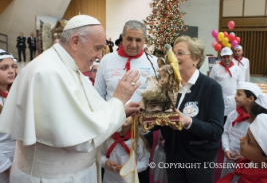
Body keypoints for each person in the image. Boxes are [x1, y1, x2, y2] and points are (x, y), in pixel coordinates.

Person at [0, 15, 141, 183]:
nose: (98, 56)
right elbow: (82, 139)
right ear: (75, 42)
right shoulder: (48, 73)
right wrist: (118, 100)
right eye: (97, 48)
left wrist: (120, 112)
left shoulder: (66, 66)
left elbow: (85, 116)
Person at [95, 20, 158, 183]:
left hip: (141, 134)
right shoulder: (107, 60)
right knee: (109, 172)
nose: (133, 44)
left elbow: (158, 100)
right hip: (111, 132)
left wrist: (140, 117)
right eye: (129, 39)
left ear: (145, 40)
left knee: (139, 175)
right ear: (122, 38)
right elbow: (98, 96)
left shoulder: (154, 63)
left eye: (138, 40)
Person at [161, 36, 224, 183]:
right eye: (173, 53)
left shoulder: (211, 88)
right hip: (173, 158)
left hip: (199, 161)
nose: (173, 57)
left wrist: (188, 122)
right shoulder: (169, 85)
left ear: (195, 58)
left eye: (180, 53)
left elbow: (215, 131)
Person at [221, 82, 262, 180]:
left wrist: (246, 158)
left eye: (239, 94)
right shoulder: (233, 114)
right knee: (227, 179)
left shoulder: (258, 120)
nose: (235, 97)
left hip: (248, 162)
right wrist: (227, 149)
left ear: (250, 98)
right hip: (230, 158)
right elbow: (225, 132)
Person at [101, 116, 150, 183]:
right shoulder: (107, 138)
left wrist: (130, 168)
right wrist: (105, 162)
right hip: (109, 180)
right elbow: (99, 155)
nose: (124, 116)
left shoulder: (138, 141)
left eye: (129, 114)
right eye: (122, 112)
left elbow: (144, 161)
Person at [210, 47, 244, 123]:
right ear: (221, 57)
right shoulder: (215, 68)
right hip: (219, 100)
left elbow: (241, 84)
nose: (226, 59)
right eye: (224, 57)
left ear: (232, 57)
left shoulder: (237, 68)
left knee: (231, 120)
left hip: (233, 101)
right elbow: (211, 85)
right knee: (219, 120)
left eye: (228, 56)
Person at [0, 51, 16, 183]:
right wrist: (8, 167)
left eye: (13, 66)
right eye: (4, 68)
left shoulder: (16, 93)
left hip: (20, 158)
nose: (11, 71)